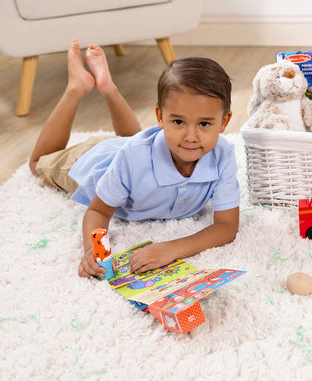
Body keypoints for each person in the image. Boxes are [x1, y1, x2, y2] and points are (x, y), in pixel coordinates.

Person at [29, 39, 239, 278]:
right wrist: (94, 251)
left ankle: (109, 89)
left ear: (224, 122)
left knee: (136, 142)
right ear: (159, 117)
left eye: (204, 124)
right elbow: (98, 211)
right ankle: (76, 89)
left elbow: (227, 226)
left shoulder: (223, 155)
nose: (191, 137)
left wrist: (172, 248)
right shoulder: (133, 158)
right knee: (37, 164)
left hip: (131, 150)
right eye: (178, 121)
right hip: (94, 161)